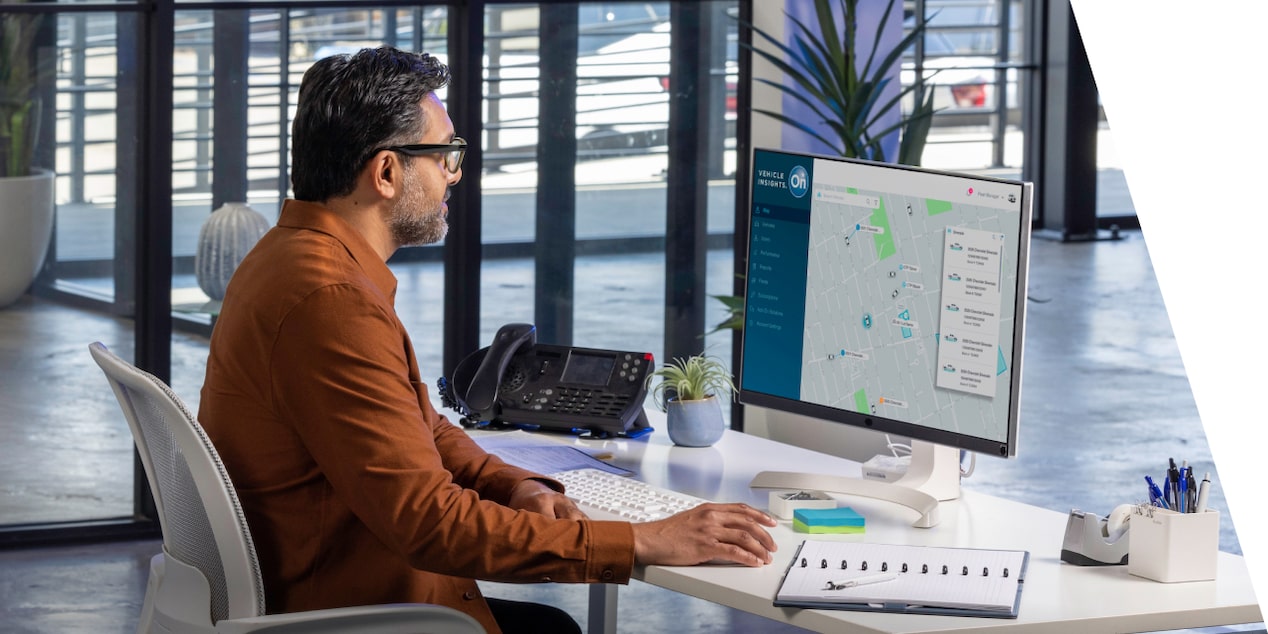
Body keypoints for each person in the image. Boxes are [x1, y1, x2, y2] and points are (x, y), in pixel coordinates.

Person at [198, 45, 776, 634]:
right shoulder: (332, 302)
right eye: (445, 154)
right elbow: (431, 525)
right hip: (355, 607)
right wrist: (642, 540)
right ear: (388, 172)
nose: (454, 173)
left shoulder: (290, 257)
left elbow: (418, 424)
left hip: (336, 583)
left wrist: (513, 484)